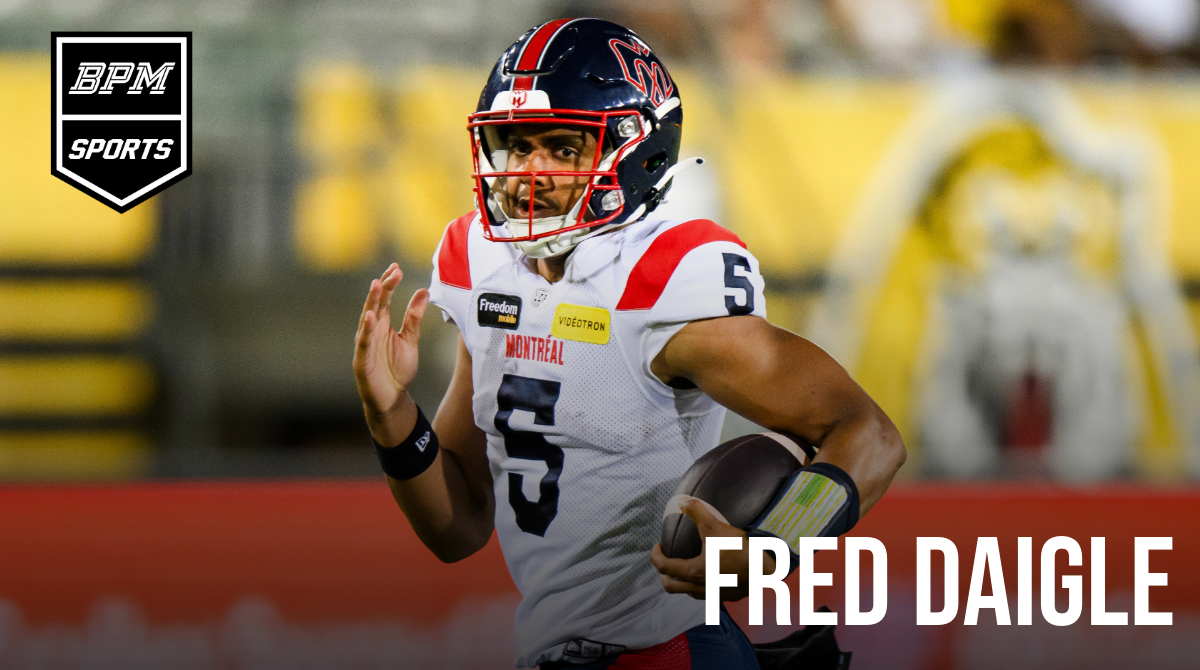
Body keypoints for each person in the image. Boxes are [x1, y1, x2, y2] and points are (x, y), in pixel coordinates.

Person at [352, 18, 905, 670]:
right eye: (517, 144)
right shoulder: (480, 266)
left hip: (665, 651)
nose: (530, 172)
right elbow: (459, 526)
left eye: (563, 148)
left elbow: (869, 435)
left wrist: (776, 546)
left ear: (636, 153)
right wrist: (392, 415)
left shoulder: (662, 279)